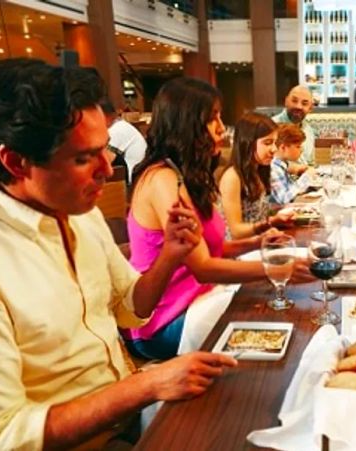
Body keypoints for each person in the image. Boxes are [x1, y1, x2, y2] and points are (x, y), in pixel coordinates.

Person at [0, 59, 236, 450]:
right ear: (16, 162)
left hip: (129, 420)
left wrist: (170, 255)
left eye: (106, 150)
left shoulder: (77, 211)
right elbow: (3, 435)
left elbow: (130, 306)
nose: (108, 168)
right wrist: (147, 384)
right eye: (84, 158)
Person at [125, 78, 313, 360]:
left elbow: (214, 249)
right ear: (187, 123)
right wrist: (275, 268)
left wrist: (258, 242)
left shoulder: (185, 176)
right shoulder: (161, 179)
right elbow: (203, 267)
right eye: (213, 118)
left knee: (273, 306)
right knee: (271, 314)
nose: (222, 128)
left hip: (201, 299)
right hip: (164, 320)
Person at [219, 112, 294, 239]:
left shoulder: (259, 170)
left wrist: (276, 218)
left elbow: (258, 215)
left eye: (275, 143)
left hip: (259, 242)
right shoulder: (232, 177)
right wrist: (270, 223)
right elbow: (236, 231)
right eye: (267, 143)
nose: (274, 149)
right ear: (247, 142)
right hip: (240, 251)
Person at [100, 98, 147, 184]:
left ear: (106, 115)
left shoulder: (117, 129)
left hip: (133, 179)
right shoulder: (121, 125)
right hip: (137, 176)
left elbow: (106, 158)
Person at [270, 123, 317, 205]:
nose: (301, 150)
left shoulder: (282, 165)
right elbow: (283, 199)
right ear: (283, 147)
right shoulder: (274, 169)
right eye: (298, 146)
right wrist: (307, 177)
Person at [272, 85, 315, 169]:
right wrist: (297, 169)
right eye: (294, 101)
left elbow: (311, 163)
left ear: (310, 108)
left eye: (304, 103)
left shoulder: (309, 130)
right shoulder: (271, 127)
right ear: (286, 101)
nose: (298, 106)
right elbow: (267, 163)